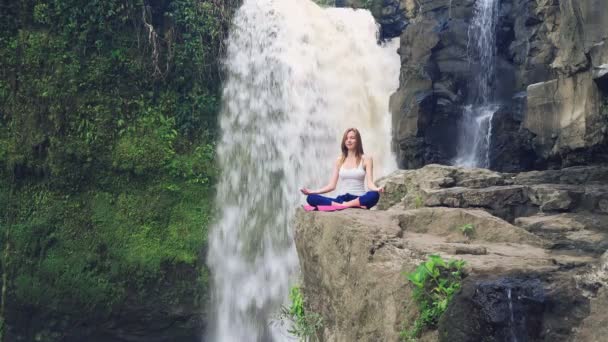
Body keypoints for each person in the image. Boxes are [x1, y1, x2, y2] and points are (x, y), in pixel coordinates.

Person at [300, 128, 384, 210]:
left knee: (374, 195)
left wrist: (377, 189)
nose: (349, 140)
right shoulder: (339, 160)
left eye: (352, 138)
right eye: (346, 138)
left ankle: (345, 205)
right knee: (311, 198)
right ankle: (342, 205)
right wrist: (312, 191)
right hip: (340, 200)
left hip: (358, 199)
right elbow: (331, 186)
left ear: (358, 141)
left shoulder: (366, 159)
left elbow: (369, 183)